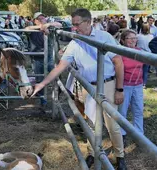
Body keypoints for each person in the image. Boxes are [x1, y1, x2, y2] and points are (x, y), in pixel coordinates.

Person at [31, 8, 127, 169]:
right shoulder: (75, 42)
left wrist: (119, 89)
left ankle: (120, 156)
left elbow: (118, 62)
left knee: (112, 125)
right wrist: (42, 84)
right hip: (88, 87)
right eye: (73, 24)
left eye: (77, 24)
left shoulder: (104, 37)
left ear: (88, 22)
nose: (74, 27)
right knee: (90, 123)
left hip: (108, 84)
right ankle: (93, 152)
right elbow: (60, 66)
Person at [25, 12, 62, 106]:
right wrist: (40, 27)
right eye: (39, 18)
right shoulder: (32, 30)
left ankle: (57, 96)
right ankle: (43, 101)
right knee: (39, 79)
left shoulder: (50, 26)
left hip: (49, 57)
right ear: (35, 21)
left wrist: (48, 25)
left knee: (56, 76)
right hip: (37, 58)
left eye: (43, 18)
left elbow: (60, 25)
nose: (42, 20)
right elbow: (26, 29)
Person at [118, 29, 144, 143]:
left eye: (135, 38)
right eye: (130, 38)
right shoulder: (120, 52)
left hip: (138, 85)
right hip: (125, 85)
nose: (133, 40)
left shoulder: (140, 51)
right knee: (122, 111)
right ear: (123, 40)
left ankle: (139, 134)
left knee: (138, 110)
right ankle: (121, 135)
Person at [137, 23, 154, 88]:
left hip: (139, 54)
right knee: (145, 70)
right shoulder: (151, 36)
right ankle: (144, 83)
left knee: (139, 69)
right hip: (148, 55)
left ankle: (139, 81)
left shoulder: (138, 36)